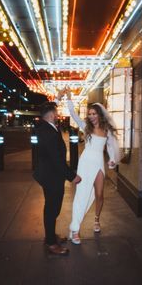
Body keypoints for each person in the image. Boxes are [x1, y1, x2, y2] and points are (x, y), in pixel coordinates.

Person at [65, 87, 120, 245]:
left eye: (94, 113)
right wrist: (69, 97)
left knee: (100, 194)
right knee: (81, 195)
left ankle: (96, 220)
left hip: (98, 163)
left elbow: (110, 146)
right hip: (85, 162)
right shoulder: (86, 127)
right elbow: (73, 114)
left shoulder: (106, 129)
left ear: (99, 114)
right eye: (89, 114)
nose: (91, 116)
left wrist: (111, 160)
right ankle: (75, 229)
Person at [33, 97, 81, 255]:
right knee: (52, 209)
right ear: (52, 115)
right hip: (51, 176)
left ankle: (50, 237)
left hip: (48, 175)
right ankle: (52, 244)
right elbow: (57, 160)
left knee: (51, 208)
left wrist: (57, 98)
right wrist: (71, 176)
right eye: (56, 112)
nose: (58, 114)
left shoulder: (47, 127)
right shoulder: (49, 132)